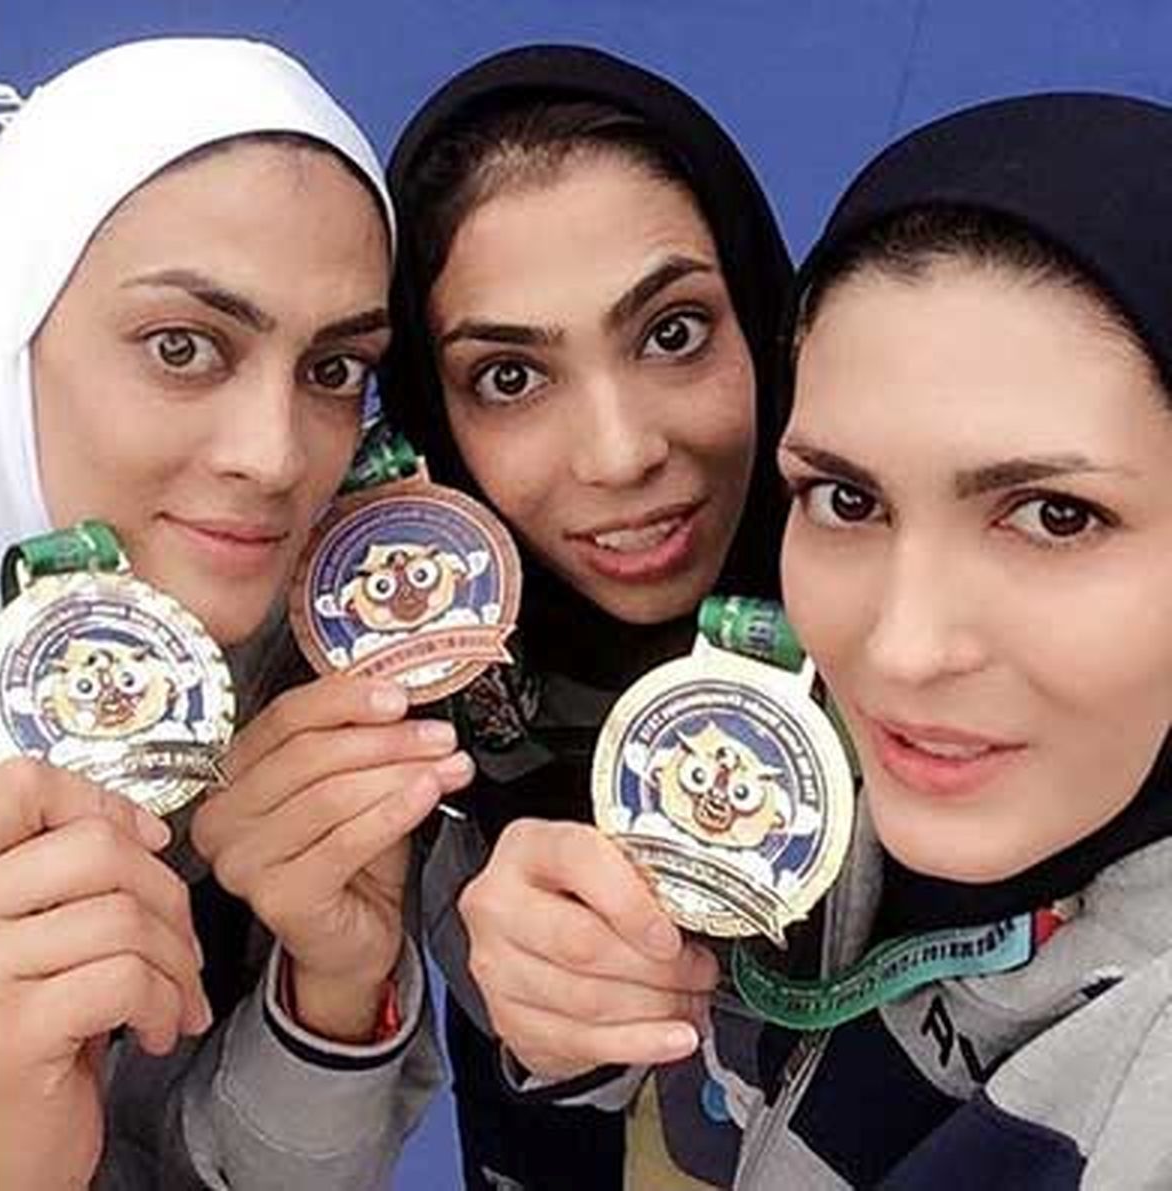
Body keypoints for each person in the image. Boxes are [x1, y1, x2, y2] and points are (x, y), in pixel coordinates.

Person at [421, 91, 1172, 1188]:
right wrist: (559, 1018)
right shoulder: (770, 774)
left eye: (1057, 516)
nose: (903, 650)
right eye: (845, 499)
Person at [0, 37, 471, 1190]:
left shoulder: (317, 694)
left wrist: (331, 992)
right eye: (183, 347)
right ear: (6, 331)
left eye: (334, 368)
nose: (274, 455)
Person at [379, 44, 795, 1189]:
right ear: (434, 412)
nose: (620, 454)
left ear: (764, 318)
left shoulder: (945, 629)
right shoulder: (398, 672)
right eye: (510, 377)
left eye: (672, 332)